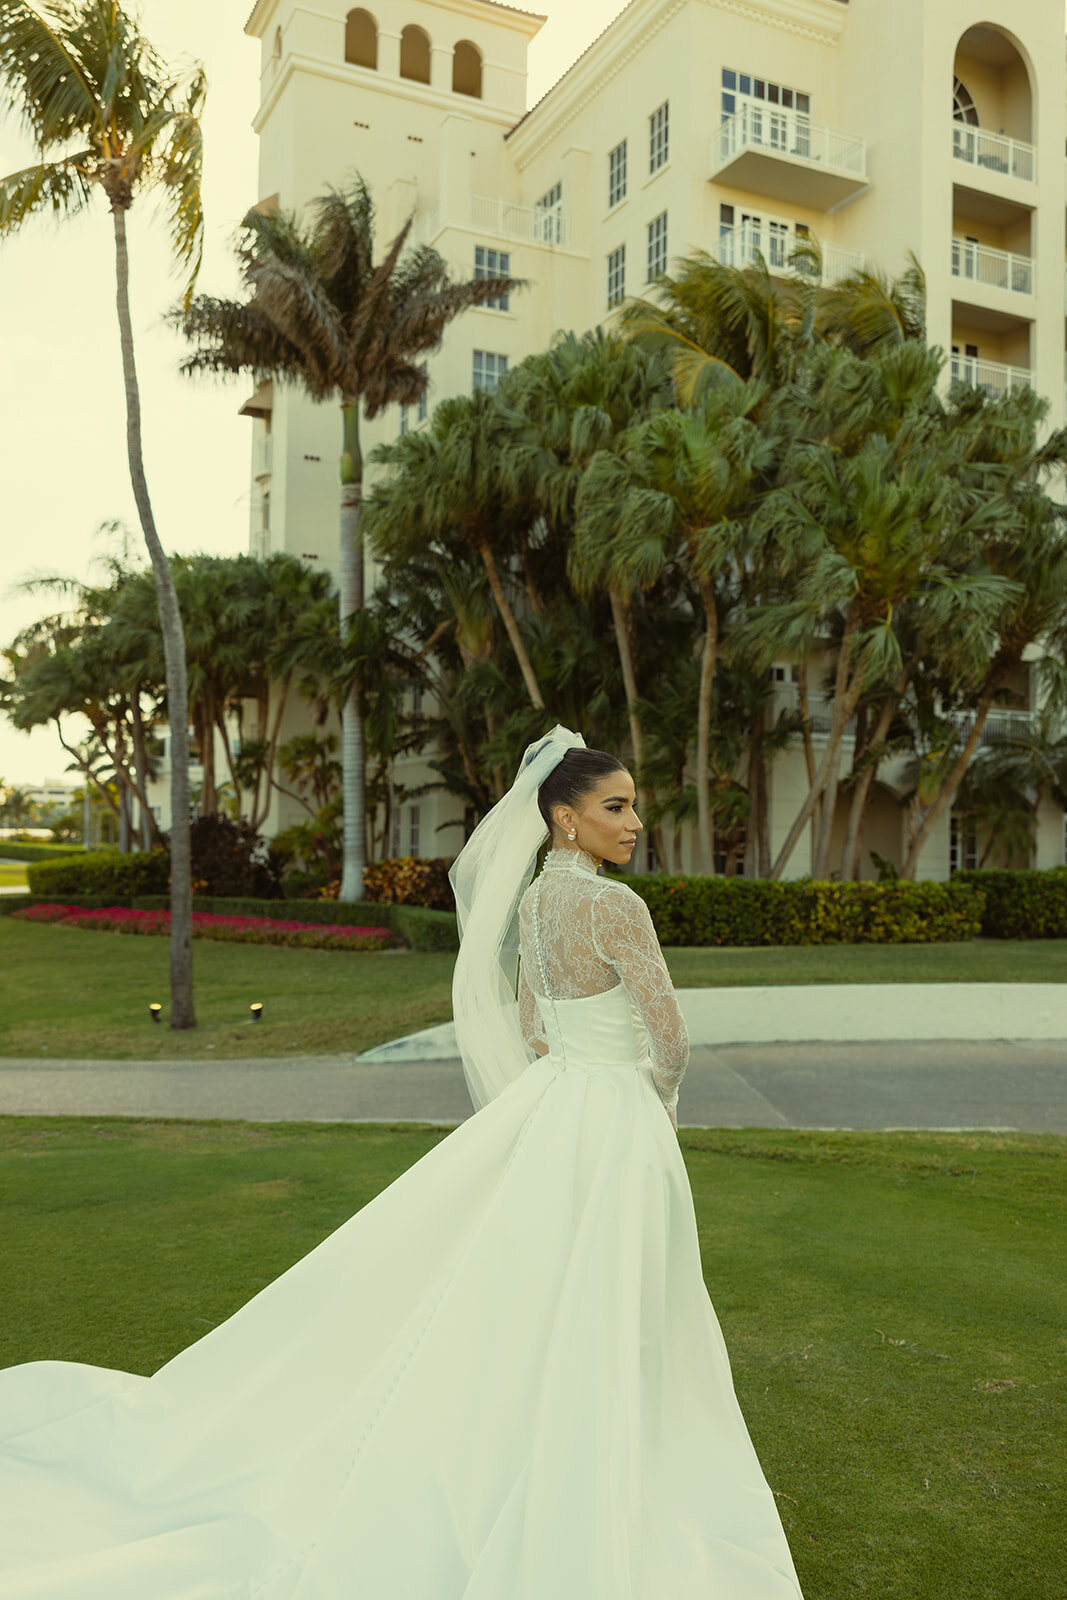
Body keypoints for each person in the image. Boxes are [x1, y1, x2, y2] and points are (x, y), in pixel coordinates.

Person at [0, 724, 804, 1598]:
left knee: (535, 1292)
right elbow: (672, 1038)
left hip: (552, 1107)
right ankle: (599, 1468)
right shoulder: (616, 908)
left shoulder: (535, 905)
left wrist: (576, 1075)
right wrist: (657, 1098)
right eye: (616, 807)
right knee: (616, 1295)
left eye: (633, 806)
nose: (634, 821)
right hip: (612, 1113)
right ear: (564, 819)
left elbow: (533, 1026)